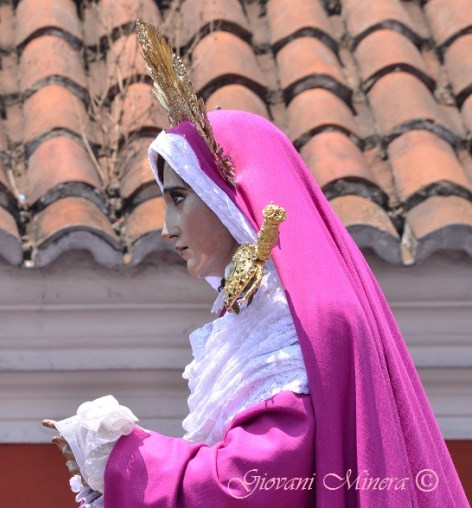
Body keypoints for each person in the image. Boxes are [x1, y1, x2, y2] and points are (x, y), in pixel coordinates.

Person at [43, 21, 468, 507]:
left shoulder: (300, 324)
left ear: (229, 196)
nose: (166, 228)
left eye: (179, 198)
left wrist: (125, 458)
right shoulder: (260, 319)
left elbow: (257, 478)